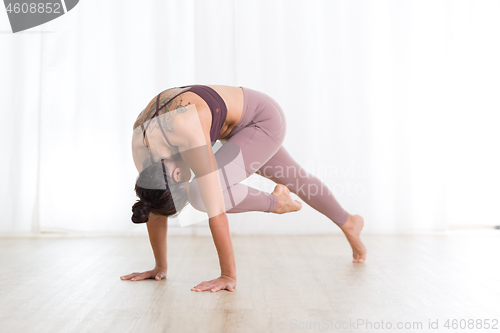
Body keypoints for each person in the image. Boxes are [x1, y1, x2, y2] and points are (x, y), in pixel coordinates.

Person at [120, 85, 367, 293]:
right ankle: (349, 222)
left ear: (176, 174)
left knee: (201, 196)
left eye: (182, 181)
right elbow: (152, 204)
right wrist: (159, 267)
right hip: (241, 126)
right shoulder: (143, 150)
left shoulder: (187, 135)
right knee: (296, 179)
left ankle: (277, 202)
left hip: (262, 119)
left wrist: (227, 276)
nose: (189, 175)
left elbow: (215, 208)